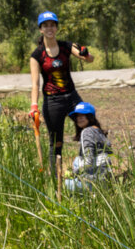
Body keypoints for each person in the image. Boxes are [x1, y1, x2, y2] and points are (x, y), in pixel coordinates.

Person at [29, 11, 94, 176]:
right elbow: (35, 83)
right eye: (46, 25)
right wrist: (34, 105)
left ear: (56, 27)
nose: (49, 28)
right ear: (41, 29)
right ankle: (54, 177)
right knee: (56, 143)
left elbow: (88, 59)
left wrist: (86, 54)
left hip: (72, 97)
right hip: (53, 102)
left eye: (52, 25)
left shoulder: (66, 46)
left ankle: (91, 168)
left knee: (90, 127)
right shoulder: (37, 55)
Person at [68, 101, 112, 181]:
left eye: (83, 115)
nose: (79, 118)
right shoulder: (99, 132)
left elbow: (89, 161)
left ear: (90, 116)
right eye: (77, 116)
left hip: (93, 181)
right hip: (105, 179)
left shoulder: (87, 132)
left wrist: (74, 173)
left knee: (67, 183)